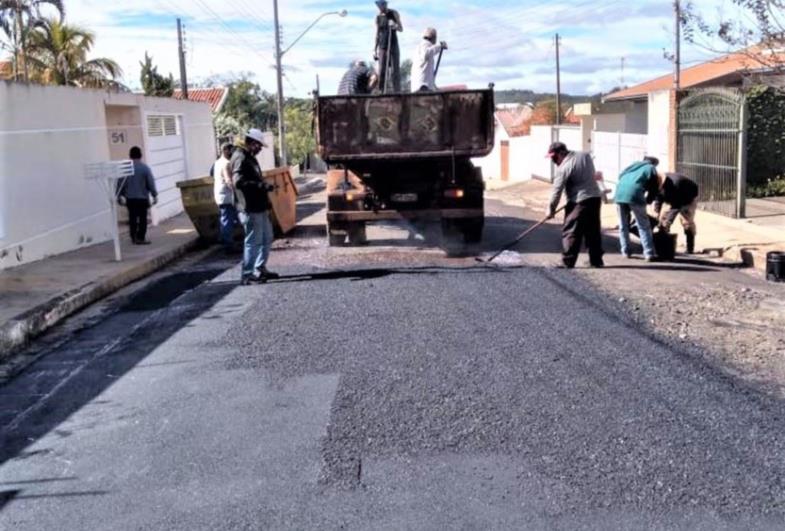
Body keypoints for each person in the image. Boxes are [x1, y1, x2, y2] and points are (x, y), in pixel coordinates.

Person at [546, 142, 605, 268]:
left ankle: (567, 261)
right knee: (592, 231)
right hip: (595, 199)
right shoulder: (585, 155)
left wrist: (550, 210)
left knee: (571, 231)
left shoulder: (564, 167)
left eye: (554, 157)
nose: (553, 160)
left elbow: (557, 191)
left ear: (561, 153)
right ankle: (596, 261)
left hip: (579, 201)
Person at [232, 128, 279, 285]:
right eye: (258, 145)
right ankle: (247, 274)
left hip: (259, 206)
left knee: (267, 237)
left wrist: (264, 190)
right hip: (249, 207)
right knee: (253, 241)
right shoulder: (240, 157)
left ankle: (260, 268)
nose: (260, 149)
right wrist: (259, 185)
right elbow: (237, 182)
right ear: (252, 143)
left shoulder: (250, 157)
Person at [614, 156, 661, 261]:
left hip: (619, 194)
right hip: (635, 195)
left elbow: (620, 176)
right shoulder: (650, 168)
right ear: (654, 163)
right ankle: (649, 253)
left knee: (623, 225)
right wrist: (649, 200)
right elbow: (654, 186)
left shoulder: (632, 166)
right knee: (643, 225)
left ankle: (625, 251)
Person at [118, 146, 158, 245]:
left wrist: (120, 195)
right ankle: (141, 237)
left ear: (130, 156)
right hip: (142, 198)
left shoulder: (125, 169)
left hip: (130, 199)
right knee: (143, 218)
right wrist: (154, 195)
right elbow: (150, 183)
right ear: (140, 155)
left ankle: (133, 237)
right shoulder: (145, 168)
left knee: (132, 218)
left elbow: (120, 184)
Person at [654, 172, 700, 254]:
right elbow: (658, 198)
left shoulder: (676, 184)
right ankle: (664, 243)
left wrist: (668, 222)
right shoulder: (657, 182)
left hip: (688, 198)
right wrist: (657, 212)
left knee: (687, 222)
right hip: (673, 199)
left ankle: (690, 248)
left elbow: (676, 206)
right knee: (662, 220)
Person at [213, 142, 238, 253]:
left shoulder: (217, 163)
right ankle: (228, 245)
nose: (232, 153)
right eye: (231, 150)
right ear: (225, 150)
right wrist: (236, 191)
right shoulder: (227, 163)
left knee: (226, 218)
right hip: (227, 195)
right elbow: (228, 180)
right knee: (227, 220)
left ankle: (226, 241)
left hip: (219, 194)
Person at [374, 0, 403, 93]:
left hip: (393, 44)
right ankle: (381, 92)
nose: (380, 6)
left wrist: (394, 25)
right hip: (382, 46)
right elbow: (377, 34)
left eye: (382, 4)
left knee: (395, 70)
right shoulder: (377, 17)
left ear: (385, 4)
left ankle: (397, 92)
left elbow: (401, 28)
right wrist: (374, 49)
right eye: (378, 4)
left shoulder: (393, 13)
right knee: (382, 70)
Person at [412, 28, 447, 92]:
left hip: (421, 86)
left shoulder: (421, 47)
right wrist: (439, 46)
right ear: (434, 38)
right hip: (422, 86)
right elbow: (426, 54)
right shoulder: (425, 44)